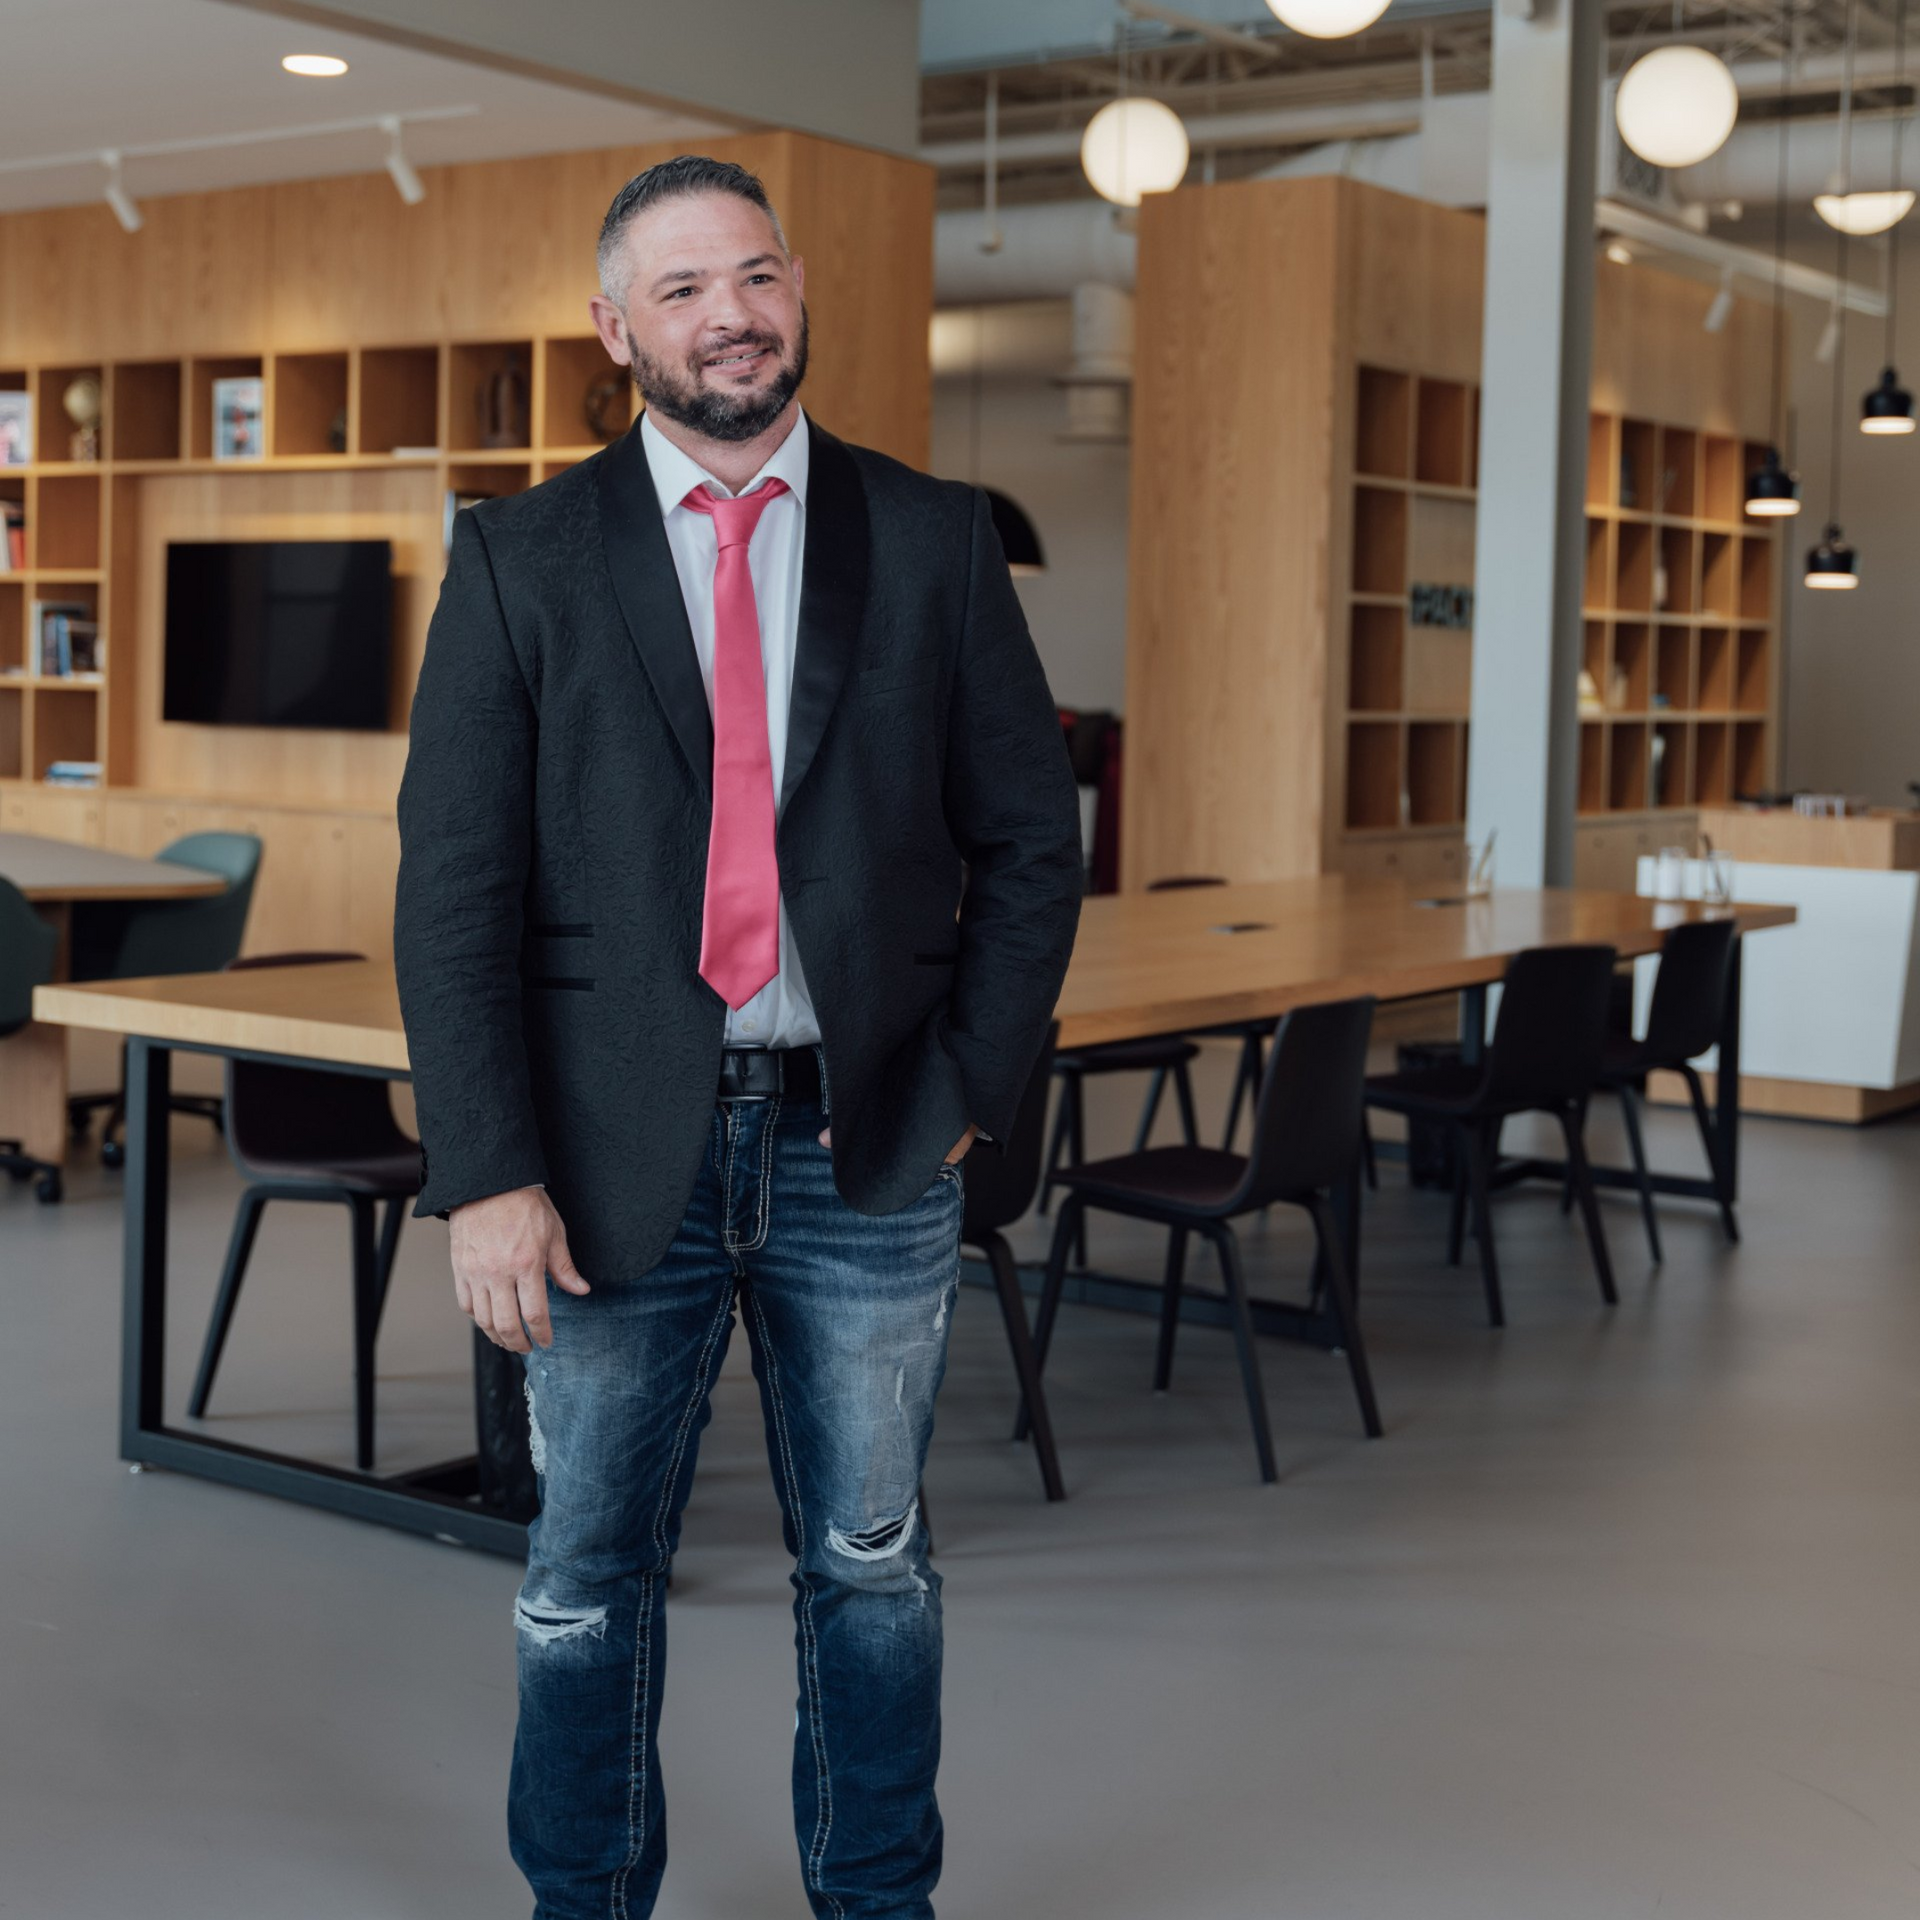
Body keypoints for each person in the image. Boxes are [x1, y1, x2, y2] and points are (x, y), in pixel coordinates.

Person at [393, 153, 1083, 1919]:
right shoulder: (519, 554)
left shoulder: (931, 539)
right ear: (614, 327)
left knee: (869, 1565)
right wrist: (487, 1177)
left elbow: (1030, 844)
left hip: (867, 1146)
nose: (732, 315)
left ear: (800, 294)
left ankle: (876, 1900)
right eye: (685, 290)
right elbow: (454, 894)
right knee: (583, 1569)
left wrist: (960, 1099)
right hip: (607, 1158)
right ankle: (588, 1902)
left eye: (757, 276)